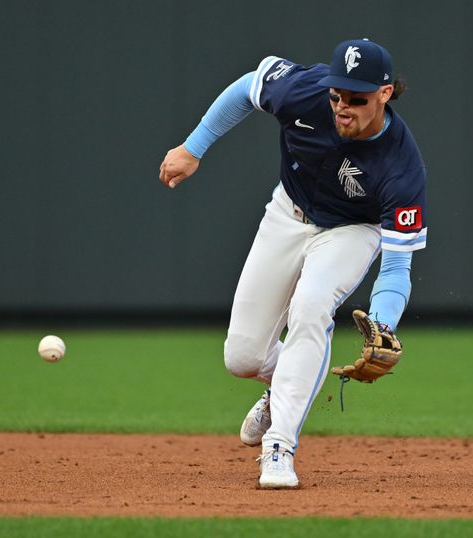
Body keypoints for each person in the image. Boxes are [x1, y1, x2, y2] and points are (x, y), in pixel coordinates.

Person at [158, 38, 427, 489]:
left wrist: (383, 326)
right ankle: (286, 385)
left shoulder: (402, 166)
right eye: (337, 94)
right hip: (288, 212)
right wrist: (193, 147)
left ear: (385, 94)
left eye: (356, 98)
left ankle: (279, 447)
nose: (342, 106)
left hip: (351, 230)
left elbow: (397, 268)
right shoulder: (306, 90)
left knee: (311, 306)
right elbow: (248, 87)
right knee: (242, 357)